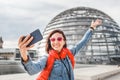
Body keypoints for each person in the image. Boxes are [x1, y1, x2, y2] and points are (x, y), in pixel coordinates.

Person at [18, 19, 102, 80]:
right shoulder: (47, 58)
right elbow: (33, 70)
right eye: (53, 39)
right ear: (50, 42)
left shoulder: (69, 53)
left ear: (64, 41)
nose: (56, 42)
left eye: (59, 39)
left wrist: (91, 28)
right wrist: (24, 54)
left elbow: (82, 42)